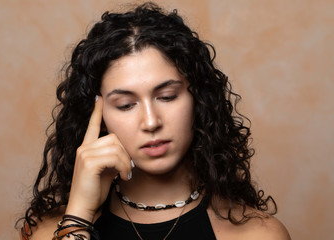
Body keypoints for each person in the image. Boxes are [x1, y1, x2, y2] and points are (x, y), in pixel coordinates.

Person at [18, 2, 291, 239]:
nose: (150, 122)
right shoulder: (48, 233)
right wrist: (78, 218)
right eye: (126, 105)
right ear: (97, 116)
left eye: (168, 96)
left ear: (198, 99)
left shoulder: (258, 234)